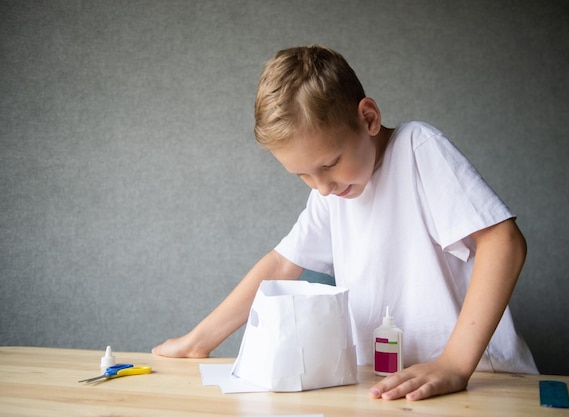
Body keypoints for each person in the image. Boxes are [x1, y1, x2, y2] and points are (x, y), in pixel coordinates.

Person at [152, 45, 538, 400]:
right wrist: (197, 341)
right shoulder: (334, 193)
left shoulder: (418, 148)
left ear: (368, 118)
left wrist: (454, 363)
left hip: (482, 379)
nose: (320, 187)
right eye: (302, 175)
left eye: (328, 164)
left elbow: (503, 241)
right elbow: (282, 265)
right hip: (389, 384)